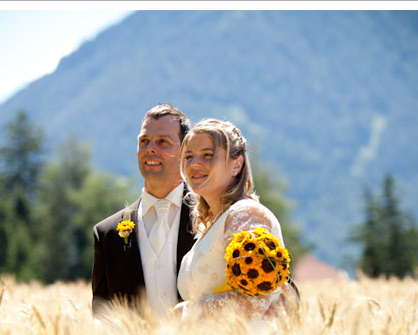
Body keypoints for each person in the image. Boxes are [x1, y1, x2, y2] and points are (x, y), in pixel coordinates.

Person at [174, 119, 299, 320]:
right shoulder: (216, 223)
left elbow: (257, 298)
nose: (195, 164)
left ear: (237, 164)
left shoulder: (245, 215)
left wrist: (186, 313)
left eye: (207, 155)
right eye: (188, 157)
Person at [92, 104, 196, 316]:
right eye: (144, 141)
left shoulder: (215, 217)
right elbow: (102, 318)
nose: (150, 148)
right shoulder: (107, 234)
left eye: (163, 142)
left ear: (185, 152)